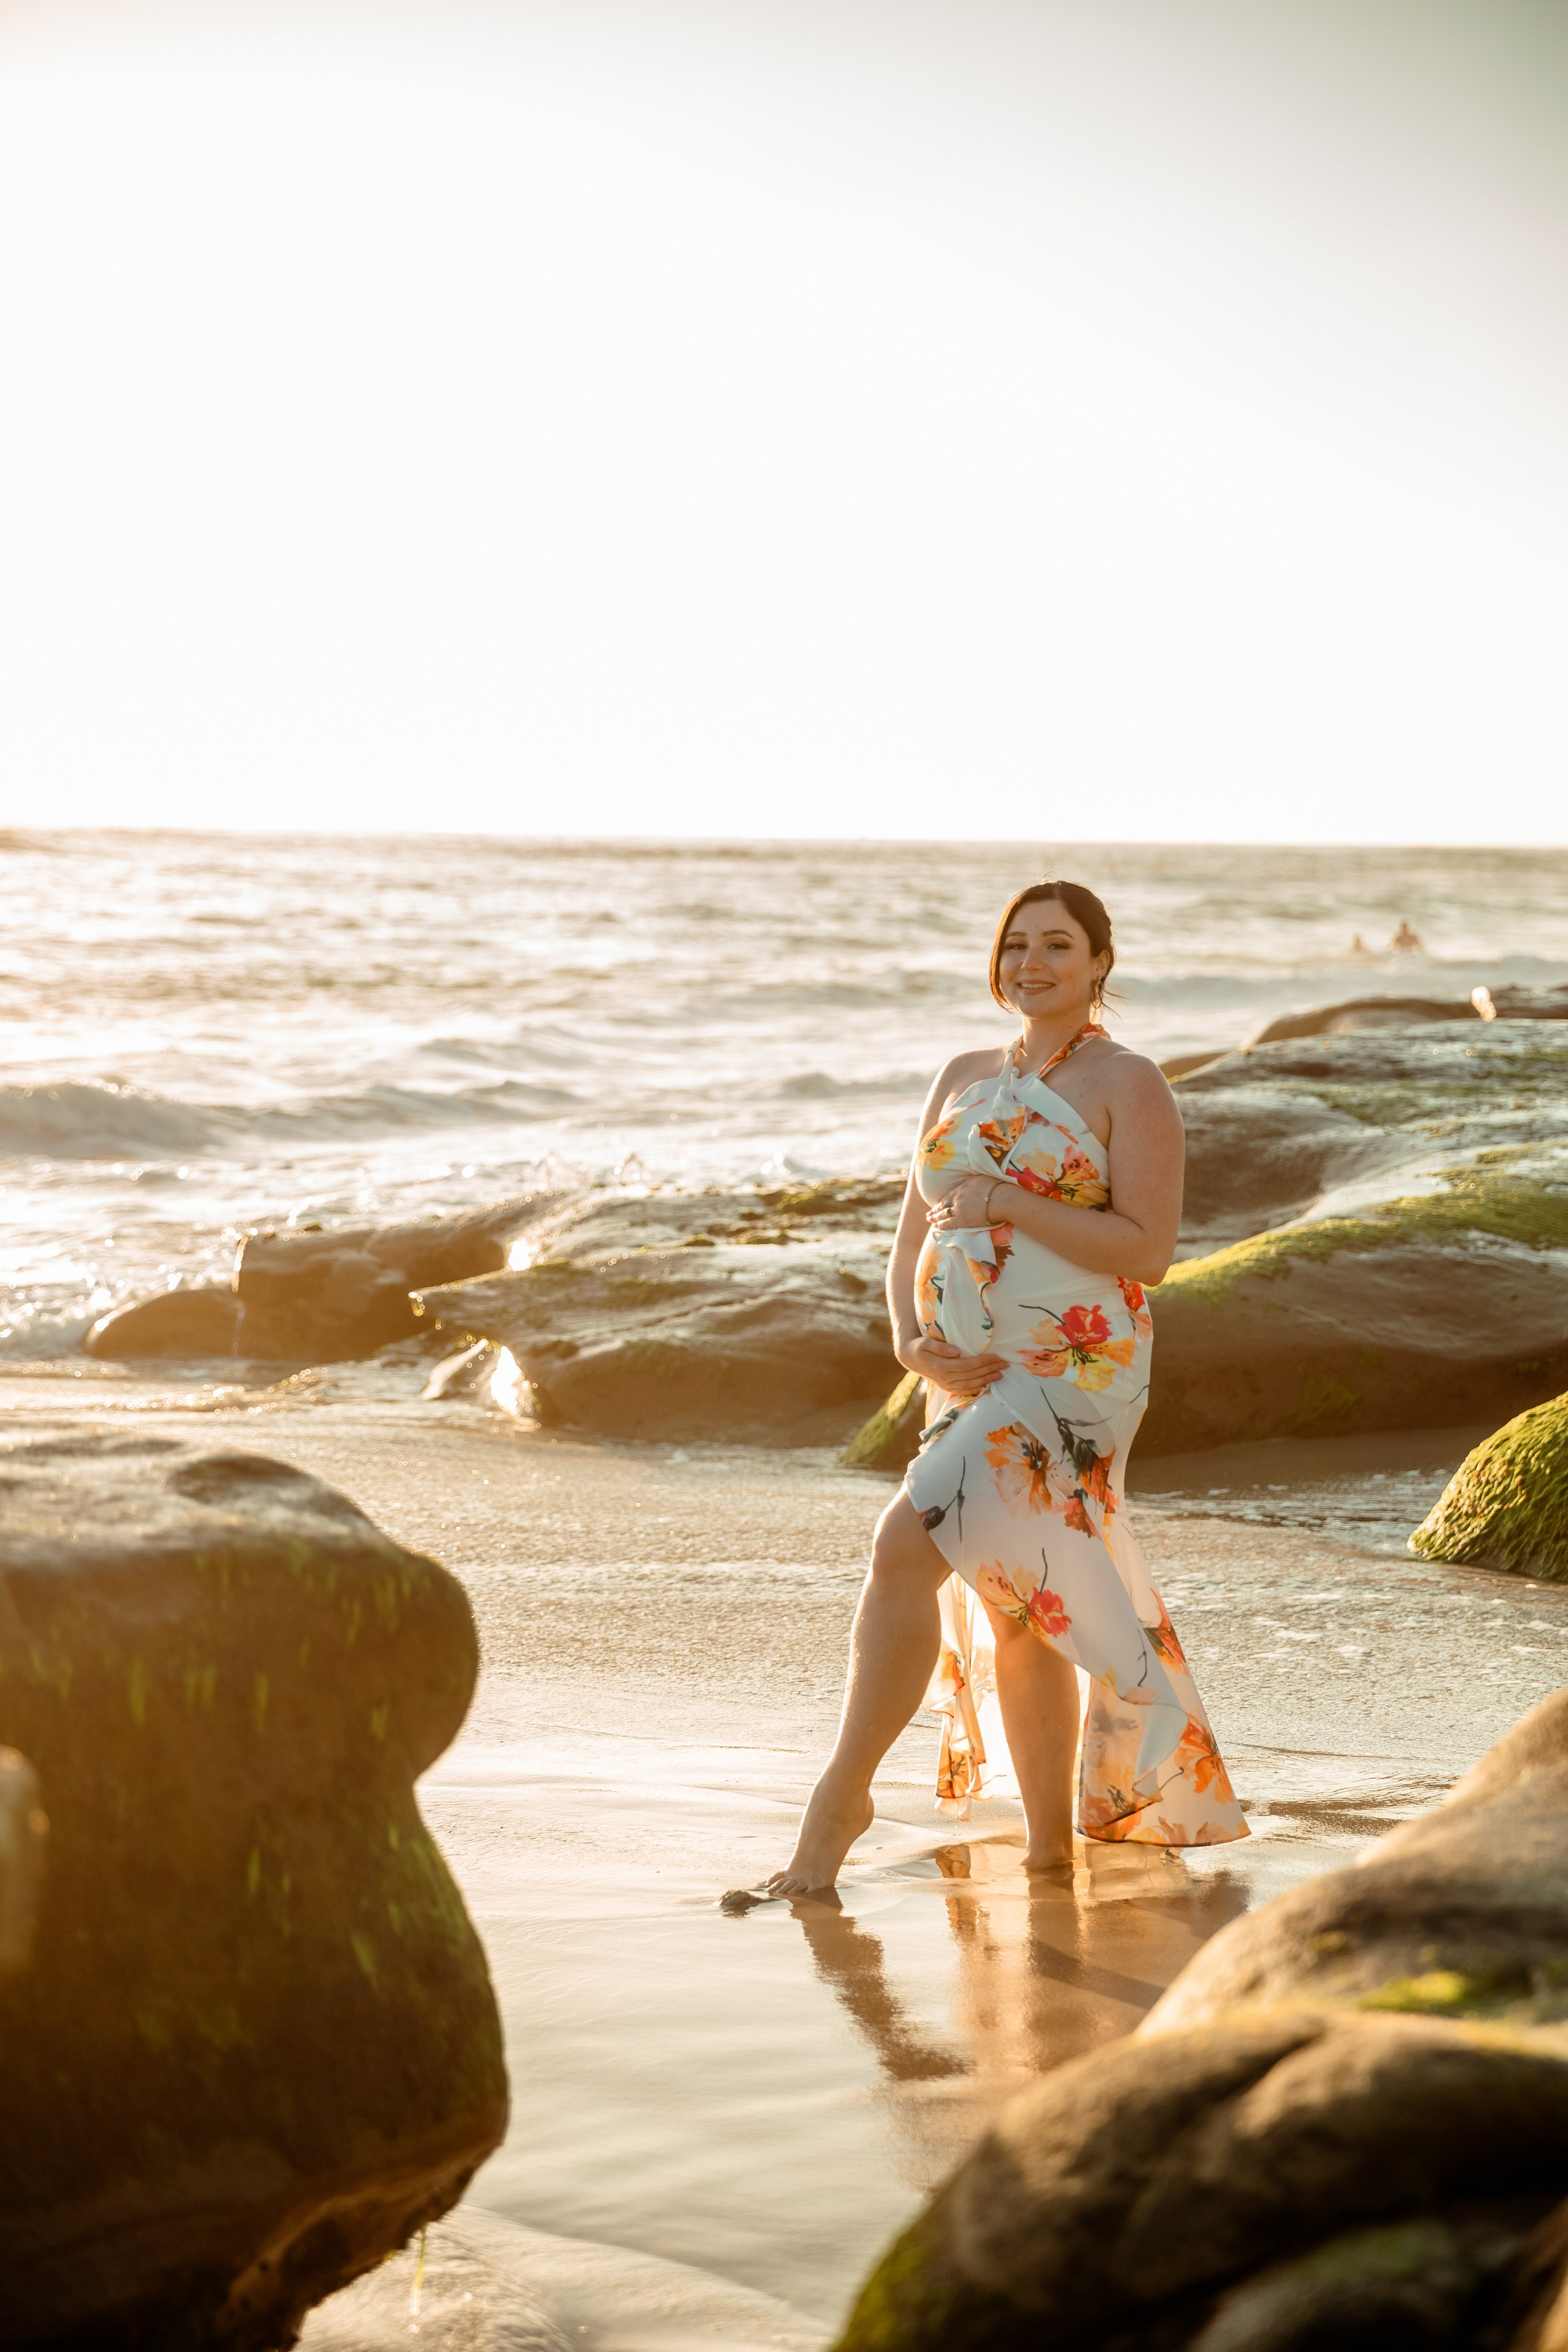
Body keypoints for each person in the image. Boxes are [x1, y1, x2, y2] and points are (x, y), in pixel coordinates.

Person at [761, 881, 1246, 1899]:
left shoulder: (1131, 1082)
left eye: (1058, 945)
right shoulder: (962, 1073)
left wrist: (1005, 1200)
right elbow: (912, 1236)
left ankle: (837, 1803)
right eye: (1016, 944)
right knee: (1020, 1605)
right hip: (965, 1373)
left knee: (904, 1547)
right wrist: (908, 1341)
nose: (1032, 962)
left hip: (1077, 1369)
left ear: (1099, 963)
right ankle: (1047, 1851)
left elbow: (1148, 1249)